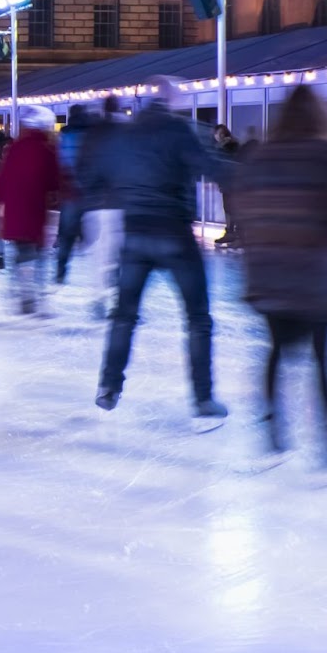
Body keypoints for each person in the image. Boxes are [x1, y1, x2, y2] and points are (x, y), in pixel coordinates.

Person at [231, 86, 327, 469]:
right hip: (314, 277)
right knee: (321, 357)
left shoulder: (262, 157)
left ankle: (272, 430)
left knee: (276, 351)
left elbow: (239, 200)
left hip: (268, 275)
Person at [94, 75, 233, 422]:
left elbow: (101, 173)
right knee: (198, 318)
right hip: (172, 232)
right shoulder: (178, 131)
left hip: (135, 233)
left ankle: (109, 386)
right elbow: (210, 168)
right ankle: (202, 398)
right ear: (172, 102)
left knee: (124, 316)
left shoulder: (127, 134)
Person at [0, 105, 63, 317]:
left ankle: (20, 292)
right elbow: (55, 181)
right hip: (36, 210)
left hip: (16, 211)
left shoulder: (16, 148)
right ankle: (34, 295)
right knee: (39, 255)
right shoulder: (48, 149)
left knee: (22, 252)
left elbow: (3, 178)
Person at [76, 95, 128, 320]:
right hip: (122, 203)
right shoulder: (128, 133)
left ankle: (100, 297)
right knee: (120, 254)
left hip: (95, 205)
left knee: (101, 254)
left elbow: (81, 167)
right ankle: (118, 300)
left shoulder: (92, 135)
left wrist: (90, 190)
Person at [52, 104, 93, 282]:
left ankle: (61, 267)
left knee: (67, 230)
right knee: (93, 227)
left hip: (70, 190)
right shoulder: (92, 135)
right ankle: (98, 269)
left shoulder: (65, 135)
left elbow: (60, 161)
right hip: (91, 189)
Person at [211, 124, 242, 249]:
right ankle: (230, 232)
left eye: (222, 133)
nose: (220, 136)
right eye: (218, 134)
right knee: (228, 209)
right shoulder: (221, 146)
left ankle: (236, 235)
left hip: (233, 183)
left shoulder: (230, 145)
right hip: (227, 183)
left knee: (233, 209)